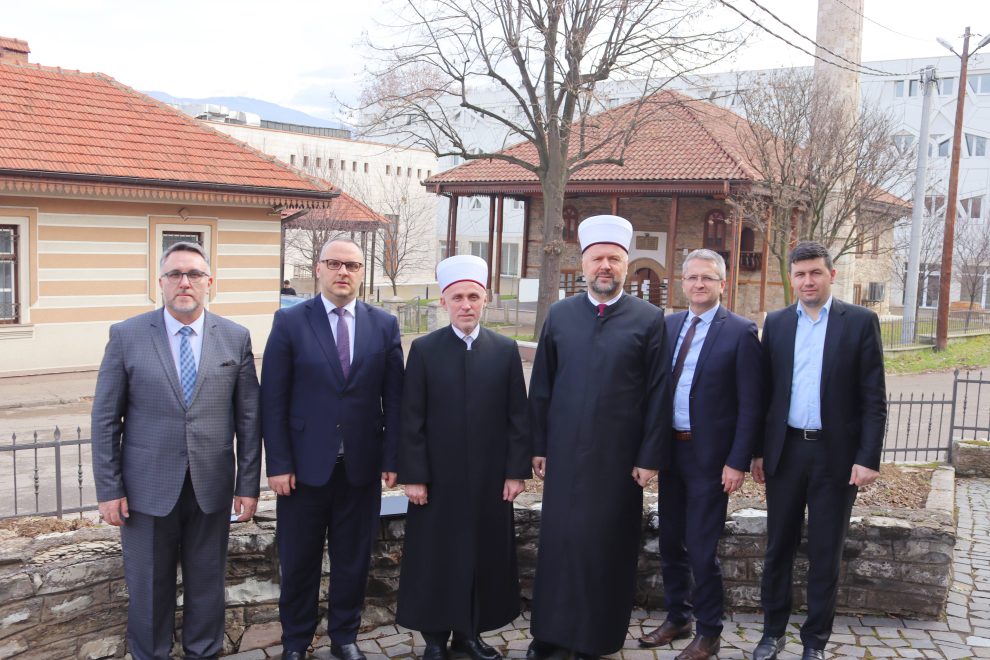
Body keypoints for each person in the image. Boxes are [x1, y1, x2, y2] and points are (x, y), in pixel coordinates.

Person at [91, 241, 261, 660]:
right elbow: (106, 419)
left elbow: (249, 419)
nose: (185, 282)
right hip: (146, 490)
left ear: (209, 282)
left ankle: (204, 652)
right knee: (149, 588)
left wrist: (248, 485)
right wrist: (109, 490)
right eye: (175, 274)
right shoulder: (127, 335)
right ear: (161, 282)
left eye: (194, 274)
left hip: (211, 487)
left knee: (207, 584)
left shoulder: (235, 338)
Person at [527, 215, 672, 660]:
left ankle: (596, 639)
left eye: (614, 258)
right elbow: (542, 385)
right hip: (564, 455)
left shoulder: (649, 319)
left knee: (606, 548)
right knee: (560, 544)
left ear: (626, 264)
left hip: (619, 460)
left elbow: (659, 393)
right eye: (597, 258)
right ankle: (550, 635)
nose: (605, 266)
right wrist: (538, 445)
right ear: (584, 263)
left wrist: (649, 456)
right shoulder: (560, 315)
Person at [261, 238, 403, 660]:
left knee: (353, 561)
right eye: (335, 263)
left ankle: (344, 638)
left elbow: (395, 399)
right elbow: (273, 399)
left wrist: (392, 457)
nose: (344, 272)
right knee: (299, 562)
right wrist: (278, 463)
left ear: (362, 273)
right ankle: (295, 642)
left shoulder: (383, 325)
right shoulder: (290, 322)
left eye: (353, 266)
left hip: (360, 468)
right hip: (302, 471)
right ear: (319, 268)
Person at [752, 241, 886, 660]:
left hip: (836, 457)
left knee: (826, 552)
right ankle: (772, 633)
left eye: (815, 273)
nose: (808, 281)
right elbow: (764, 394)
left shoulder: (860, 322)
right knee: (778, 547)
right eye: (800, 274)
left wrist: (867, 457)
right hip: (786, 453)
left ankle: (814, 642)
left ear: (831, 275)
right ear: (791, 279)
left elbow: (874, 398)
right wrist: (758, 452)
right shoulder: (776, 324)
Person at [396, 255, 531, 660]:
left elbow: (518, 417)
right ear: (444, 302)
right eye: (458, 298)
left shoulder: (504, 350)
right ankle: (435, 639)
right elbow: (411, 418)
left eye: (474, 297)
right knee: (435, 558)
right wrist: (414, 475)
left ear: (485, 299)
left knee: (482, 557)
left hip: (490, 479)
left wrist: (515, 472)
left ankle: (470, 635)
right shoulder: (424, 350)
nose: (466, 305)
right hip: (437, 480)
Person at [638, 249, 763, 659]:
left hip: (711, 459)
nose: (698, 284)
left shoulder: (740, 332)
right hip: (671, 453)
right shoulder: (668, 325)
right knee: (670, 542)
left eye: (707, 278)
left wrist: (737, 461)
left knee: (701, 548)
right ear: (682, 282)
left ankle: (709, 631)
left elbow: (751, 405)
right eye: (691, 277)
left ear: (722, 284)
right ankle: (679, 617)